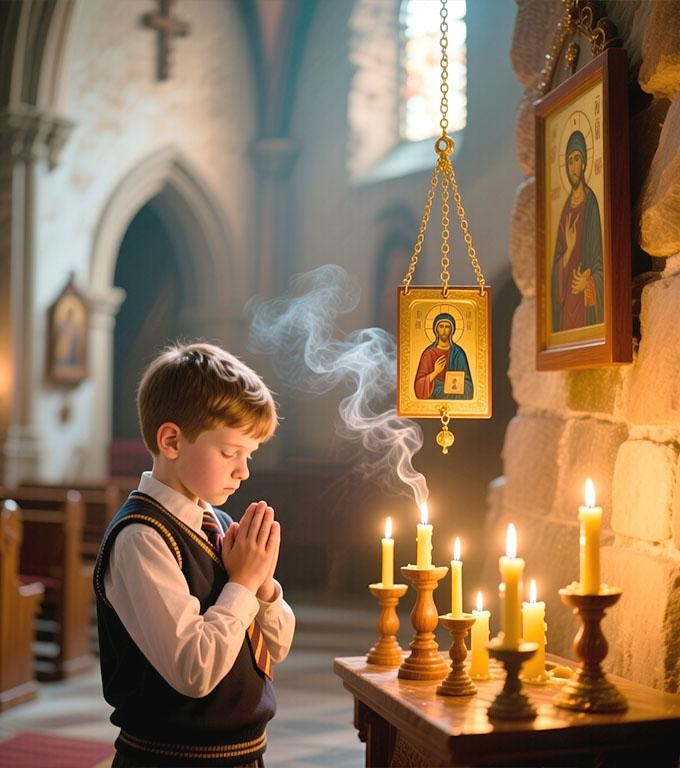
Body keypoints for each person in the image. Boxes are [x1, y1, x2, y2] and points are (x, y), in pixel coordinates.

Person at [93, 342, 295, 768]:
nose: (244, 471)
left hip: (244, 754)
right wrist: (240, 583)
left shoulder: (219, 524)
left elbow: (275, 648)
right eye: (230, 453)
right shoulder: (142, 538)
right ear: (171, 441)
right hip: (171, 758)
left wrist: (263, 585)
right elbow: (194, 670)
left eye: (249, 455)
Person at [551, 129, 603, 332]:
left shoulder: (591, 204)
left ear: (584, 163)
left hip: (585, 301)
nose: (573, 166)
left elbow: (600, 261)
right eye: (570, 160)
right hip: (567, 305)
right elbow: (555, 268)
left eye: (577, 158)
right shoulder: (564, 210)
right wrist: (569, 250)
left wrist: (589, 282)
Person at [414, 312, 473, 400]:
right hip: (434, 398)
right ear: (435, 329)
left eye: (447, 327)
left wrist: (455, 385)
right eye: (441, 326)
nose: (444, 330)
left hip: (454, 397)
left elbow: (468, 385)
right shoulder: (429, 353)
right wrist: (435, 372)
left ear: (452, 330)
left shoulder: (458, 353)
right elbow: (418, 386)